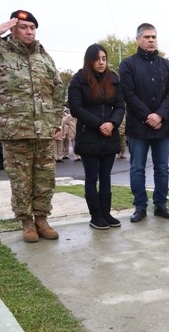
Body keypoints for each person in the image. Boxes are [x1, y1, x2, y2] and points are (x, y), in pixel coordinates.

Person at [0, 10, 63, 243]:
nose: (29, 31)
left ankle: (42, 219)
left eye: (32, 28)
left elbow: (58, 89)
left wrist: (56, 120)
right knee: (21, 180)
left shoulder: (43, 57)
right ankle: (27, 222)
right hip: (16, 131)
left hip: (43, 131)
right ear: (13, 28)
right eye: (23, 27)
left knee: (45, 179)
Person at [120, 23, 169, 222]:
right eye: (147, 37)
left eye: (154, 37)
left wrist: (160, 115)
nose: (151, 40)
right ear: (138, 40)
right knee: (137, 168)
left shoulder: (166, 65)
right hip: (138, 126)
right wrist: (149, 116)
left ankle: (161, 205)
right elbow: (129, 94)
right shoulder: (128, 65)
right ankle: (140, 207)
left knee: (162, 168)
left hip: (162, 126)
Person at [68, 43, 125, 230]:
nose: (101, 62)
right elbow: (76, 108)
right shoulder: (78, 80)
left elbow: (120, 106)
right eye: (97, 59)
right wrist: (99, 124)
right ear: (89, 60)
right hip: (89, 135)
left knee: (106, 176)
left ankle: (106, 213)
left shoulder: (113, 79)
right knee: (92, 177)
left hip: (110, 135)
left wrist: (112, 123)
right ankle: (96, 215)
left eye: (104, 59)